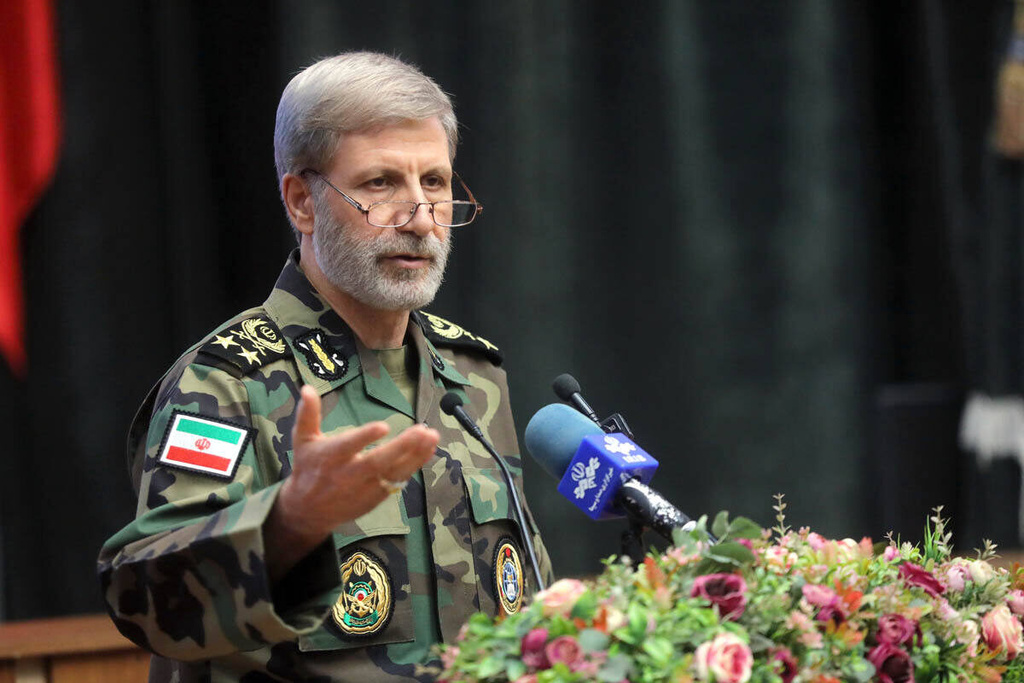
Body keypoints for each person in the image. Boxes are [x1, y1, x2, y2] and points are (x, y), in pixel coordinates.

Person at [97, 51, 553, 682]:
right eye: (380, 184)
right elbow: (147, 603)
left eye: (436, 182)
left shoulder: (471, 375)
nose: (420, 217)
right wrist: (287, 525)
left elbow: (521, 595)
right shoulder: (228, 382)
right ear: (301, 202)